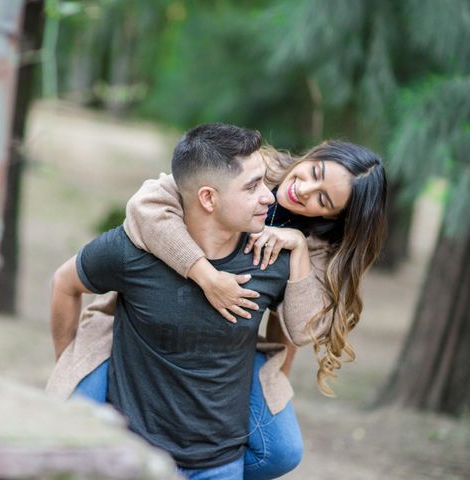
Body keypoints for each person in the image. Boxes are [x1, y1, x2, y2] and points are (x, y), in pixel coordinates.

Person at [47, 136, 388, 479]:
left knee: (282, 452)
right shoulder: (251, 168)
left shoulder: (315, 245)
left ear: (333, 218)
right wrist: (206, 276)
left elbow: (299, 329)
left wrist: (298, 247)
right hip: (142, 324)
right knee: (73, 426)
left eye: (323, 199)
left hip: (233, 344)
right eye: (314, 171)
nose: (305, 189)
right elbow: (144, 206)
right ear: (315, 155)